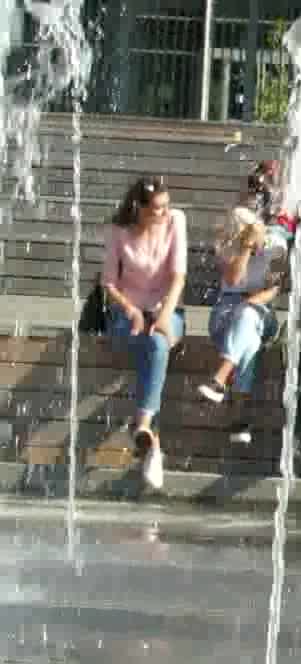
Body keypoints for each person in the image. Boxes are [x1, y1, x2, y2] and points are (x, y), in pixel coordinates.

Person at [101, 177, 188, 490]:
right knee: (149, 344)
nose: (163, 213)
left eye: (166, 206)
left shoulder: (176, 220)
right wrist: (132, 310)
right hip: (128, 313)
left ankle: (143, 425)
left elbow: (179, 276)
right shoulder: (119, 231)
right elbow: (108, 283)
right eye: (156, 209)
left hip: (167, 309)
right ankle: (150, 437)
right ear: (139, 208)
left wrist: (162, 317)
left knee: (157, 342)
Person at [197, 163, 290, 445]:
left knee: (248, 317)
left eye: (263, 190)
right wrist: (247, 247)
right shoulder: (231, 230)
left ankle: (221, 378)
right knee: (248, 334)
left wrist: (250, 303)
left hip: (261, 313)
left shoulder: (280, 239)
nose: (256, 196)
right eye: (253, 189)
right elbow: (233, 279)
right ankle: (240, 415)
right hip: (225, 313)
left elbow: (275, 289)